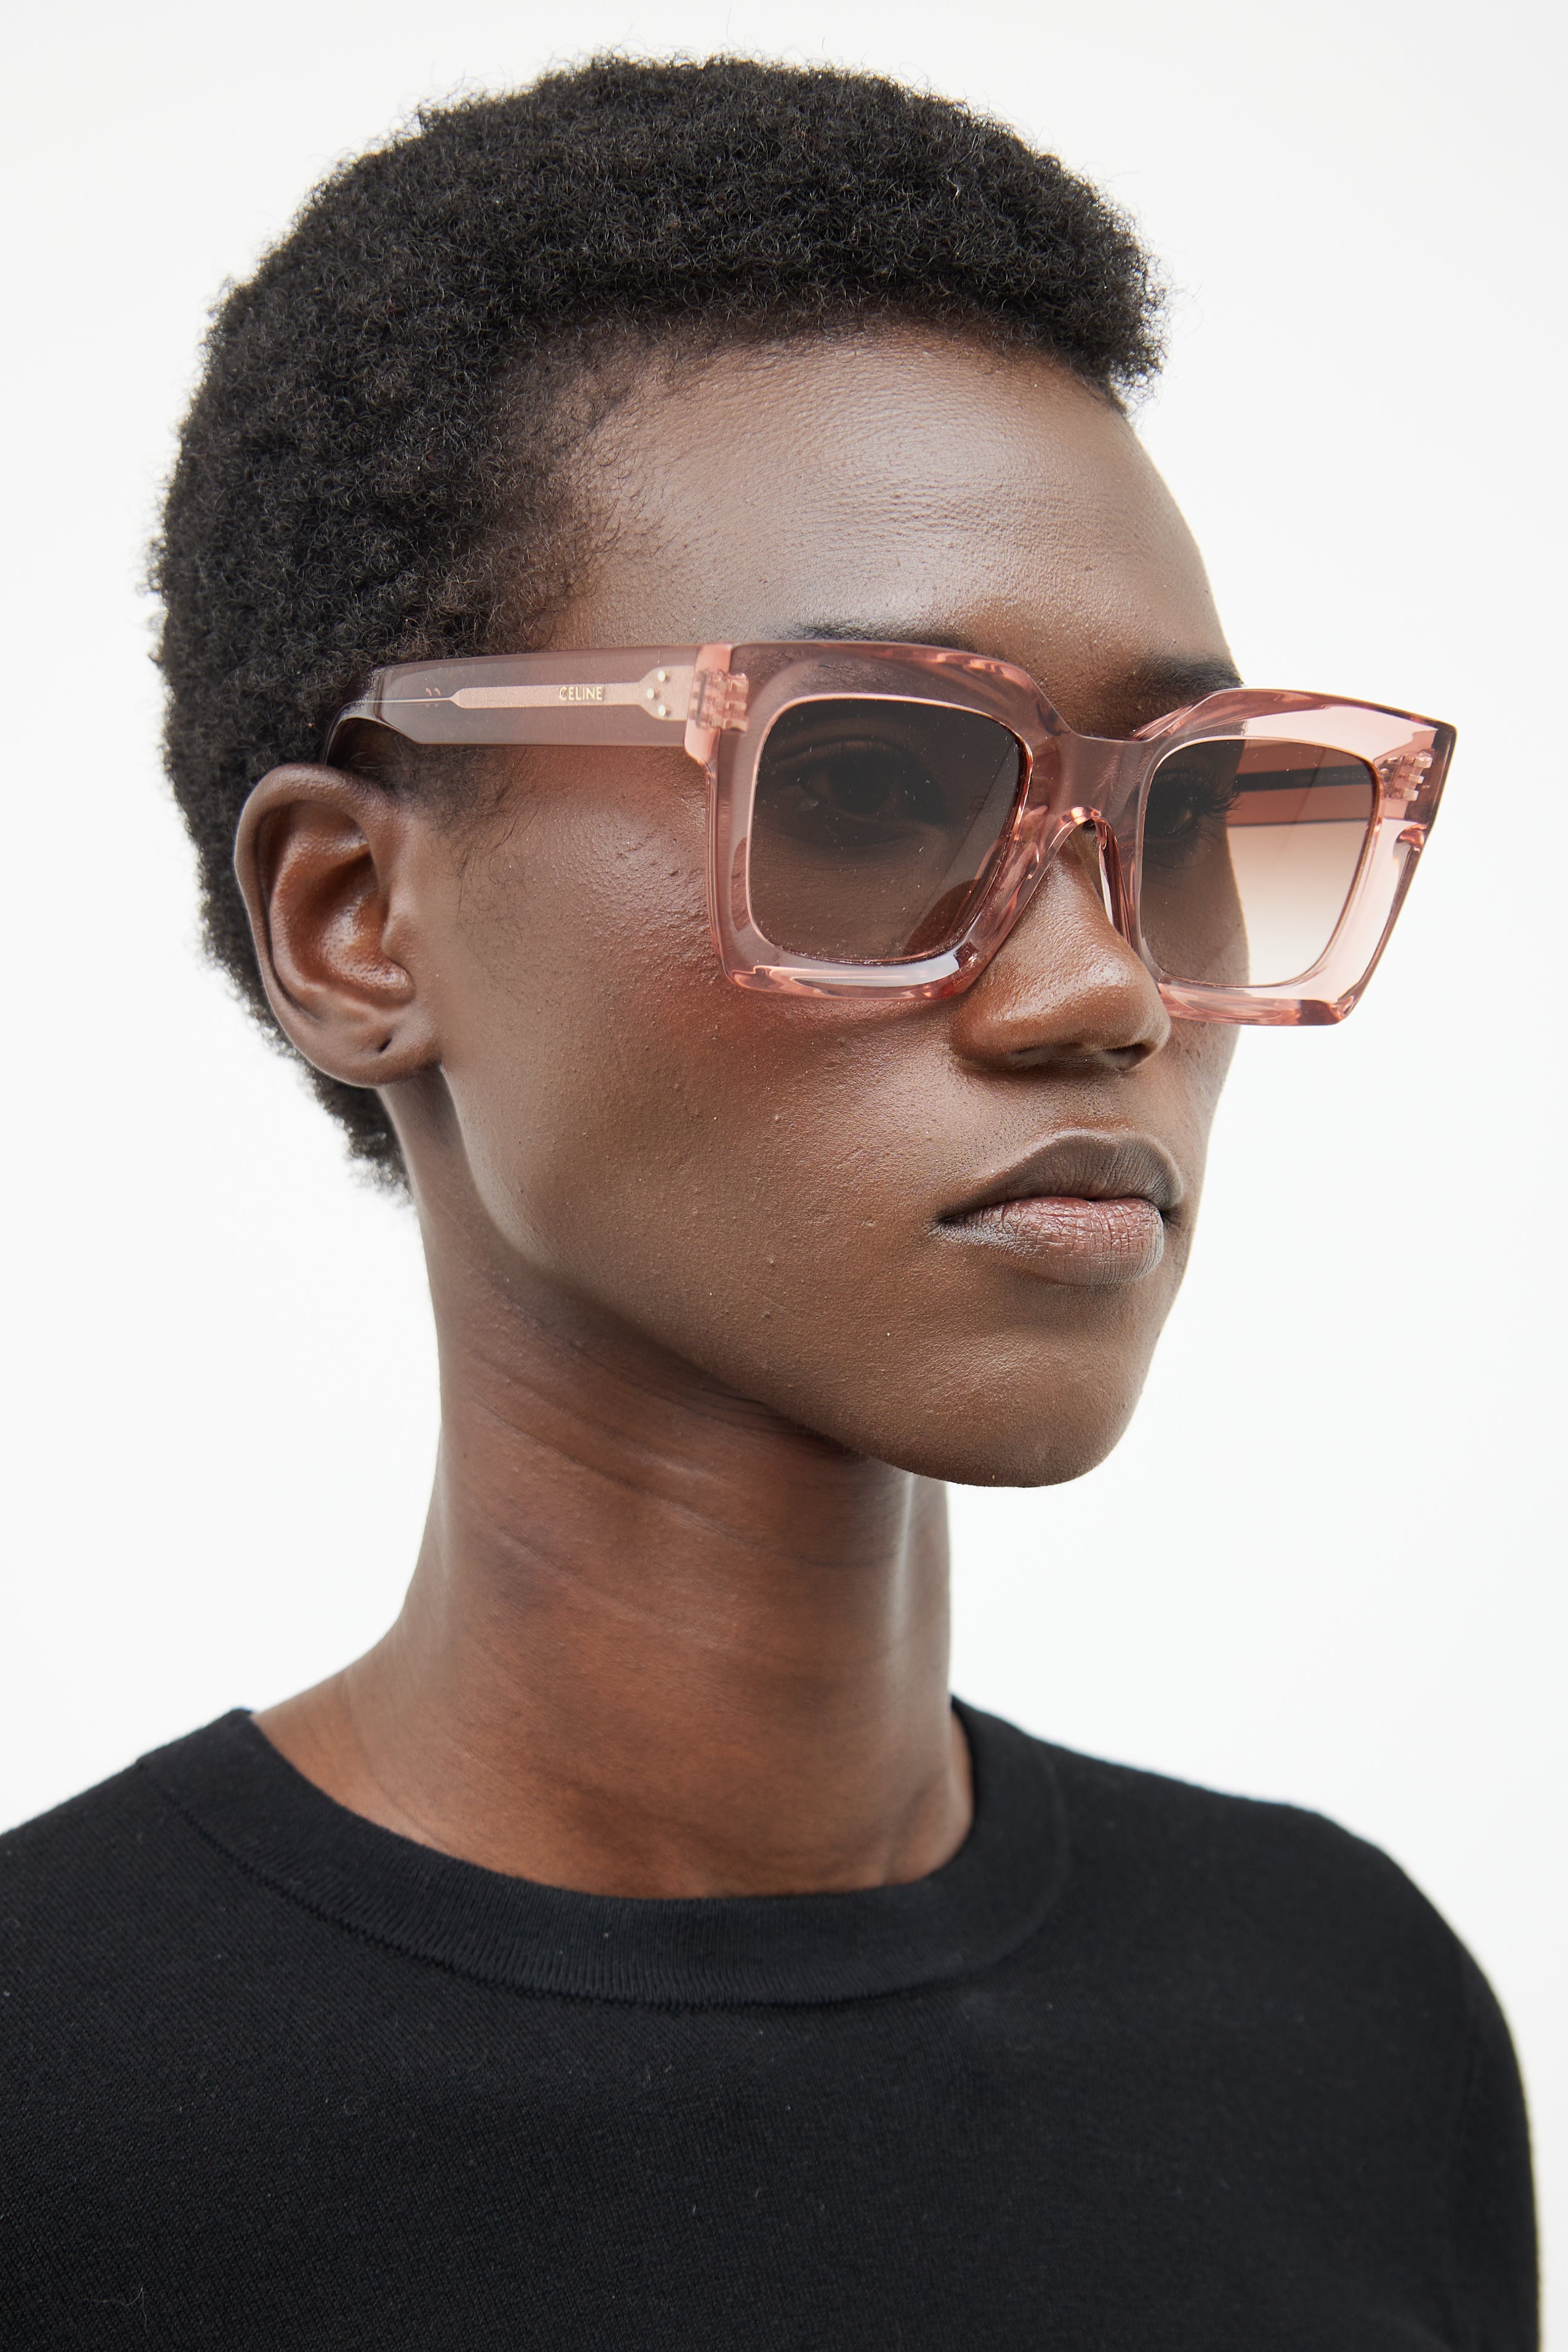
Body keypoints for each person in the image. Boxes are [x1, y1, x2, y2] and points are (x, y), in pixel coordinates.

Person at [0, 57, 1535, 2350]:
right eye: (870, 786)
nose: (1107, 988)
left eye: (1186, 811)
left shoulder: (1349, 2026)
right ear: (355, 920)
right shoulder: (56, 2111)